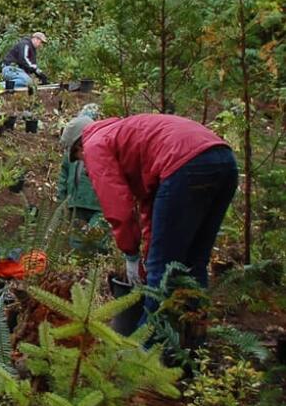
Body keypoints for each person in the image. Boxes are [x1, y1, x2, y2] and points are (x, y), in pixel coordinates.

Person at [70, 114, 237, 313]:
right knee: (194, 262)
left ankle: (149, 340)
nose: (85, 165)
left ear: (79, 147)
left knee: (162, 270)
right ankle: (191, 335)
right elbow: (153, 207)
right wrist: (147, 257)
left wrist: (131, 254)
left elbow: (118, 207)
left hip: (185, 164)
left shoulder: (94, 145)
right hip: (225, 161)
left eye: (79, 159)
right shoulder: (124, 133)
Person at [57, 114, 106, 244]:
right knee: (76, 241)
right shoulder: (71, 154)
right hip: (76, 204)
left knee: (96, 239)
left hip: (97, 206)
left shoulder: (102, 152)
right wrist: (61, 200)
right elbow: (63, 175)